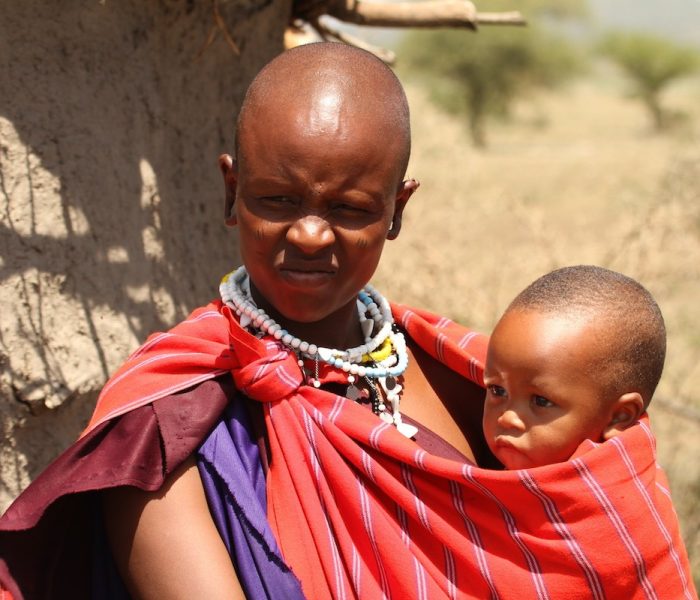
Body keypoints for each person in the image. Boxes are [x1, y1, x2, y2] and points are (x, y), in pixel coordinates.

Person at [0, 43, 695, 600]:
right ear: (230, 191)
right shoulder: (167, 420)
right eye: (275, 198)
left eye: (351, 209)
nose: (308, 235)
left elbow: (598, 531)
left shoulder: (476, 377)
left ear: (399, 209)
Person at [482, 265, 665, 470]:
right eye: (497, 390)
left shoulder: (605, 499)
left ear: (619, 416)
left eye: (541, 401)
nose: (507, 418)